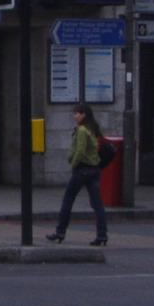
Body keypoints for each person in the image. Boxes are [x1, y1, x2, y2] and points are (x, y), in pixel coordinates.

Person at [46, 102, 107, 246]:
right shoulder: (93, 129)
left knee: (68, 199)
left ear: (84, 114)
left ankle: (60, 231)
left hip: (82, 169)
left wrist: (73, 165)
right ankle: (102, 234)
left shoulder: (82, 130)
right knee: (97, 204)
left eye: (77, 114)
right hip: (94, 169)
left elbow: (79, 150)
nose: (75, 116)